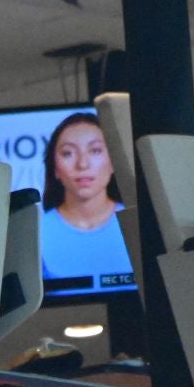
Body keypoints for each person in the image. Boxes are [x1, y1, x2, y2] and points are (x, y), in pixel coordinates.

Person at [39, 112, 134, 289]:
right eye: (68, 153)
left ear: (114, 161)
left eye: (95, 151)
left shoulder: (138, 226)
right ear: (55, 168)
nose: (83, 164)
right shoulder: (36, 234)